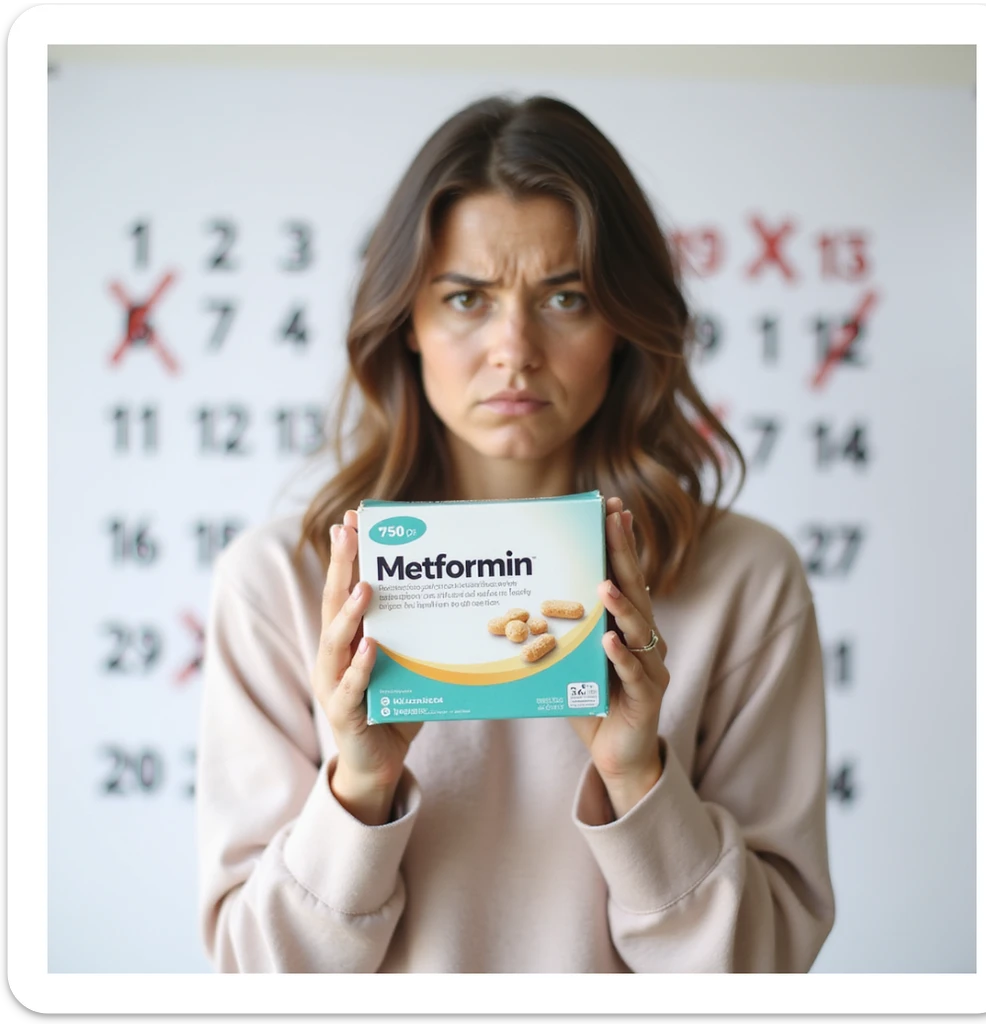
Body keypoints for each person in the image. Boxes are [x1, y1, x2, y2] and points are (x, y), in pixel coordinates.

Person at [196, 94, 835, 973]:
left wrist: (639, 776)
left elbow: (760, 969)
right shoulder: (281, 584)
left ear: (621, 326)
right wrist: (359, 788)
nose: (515, 349)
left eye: (566, 297)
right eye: (466, 297)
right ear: (407, 324)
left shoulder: (743, 580)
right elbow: (257, 973)